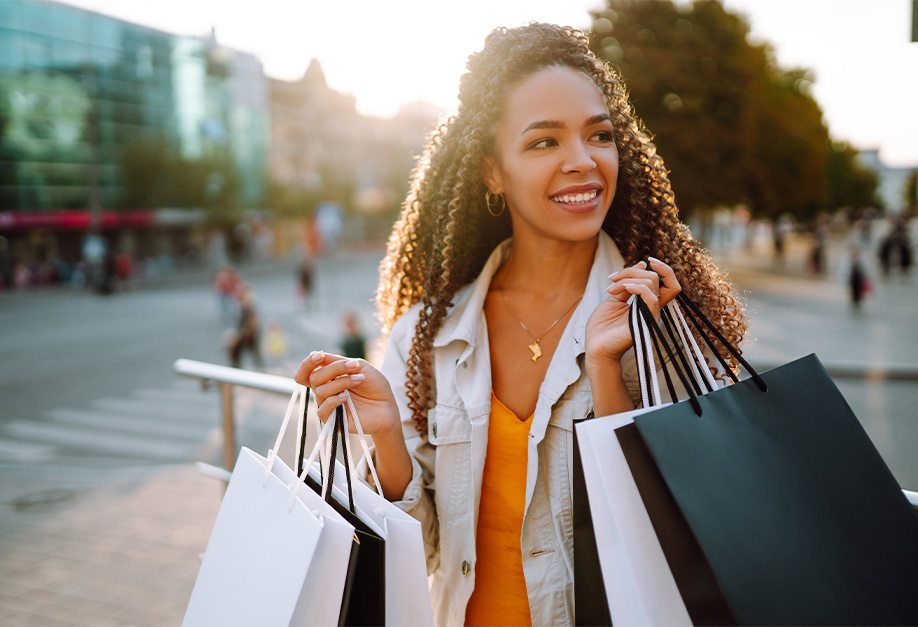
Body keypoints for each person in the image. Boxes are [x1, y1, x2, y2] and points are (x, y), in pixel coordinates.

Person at [295, 23, 746, 626]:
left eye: (600, 135)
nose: (582, 162)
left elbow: (681, 542)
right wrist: (385, 438)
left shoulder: (666, 326)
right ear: (492, 171)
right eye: (543, 143)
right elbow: (425, 550)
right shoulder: (423, 337)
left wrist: (609, 375)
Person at [228, 282, 264, 370]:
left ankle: (238, 369)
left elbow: (250, 321)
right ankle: (258, 369)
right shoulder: (244, 305)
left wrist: (239, 334)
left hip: (248, 333)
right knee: (254, 354)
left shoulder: (247, 306)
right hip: (247, 332)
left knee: (242, 352)